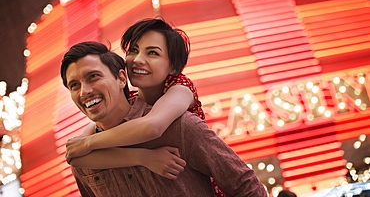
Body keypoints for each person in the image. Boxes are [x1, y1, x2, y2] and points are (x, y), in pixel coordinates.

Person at [61, 41, 267, 196]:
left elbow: (246, 187)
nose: (85, 91)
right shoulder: (82, 159)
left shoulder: (179, 127)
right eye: (74, 85)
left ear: (122, 78)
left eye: (93, 77)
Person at [65, 18, 224, 196]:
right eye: (134, 50)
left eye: (153, 53)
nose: (138, 60)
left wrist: (88, 143)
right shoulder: (131, 98)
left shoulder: (180, 89)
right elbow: (76, 156)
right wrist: (144, 158)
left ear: (173, 66)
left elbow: (152, 126)